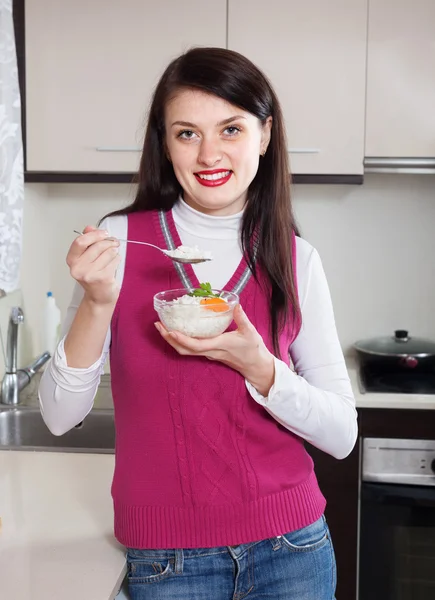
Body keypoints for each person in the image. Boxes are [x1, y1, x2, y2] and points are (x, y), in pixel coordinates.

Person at [38, 47, 358, 600]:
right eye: (187, 133)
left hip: (293, 550)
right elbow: (59, 416)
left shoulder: (294, 257)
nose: (209, 153)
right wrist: (95, 303)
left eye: (230, 128)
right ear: (165, 142)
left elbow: (341, 435)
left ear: (264, 134)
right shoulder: (118, 242)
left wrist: (261, 369)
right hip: (167, 563)